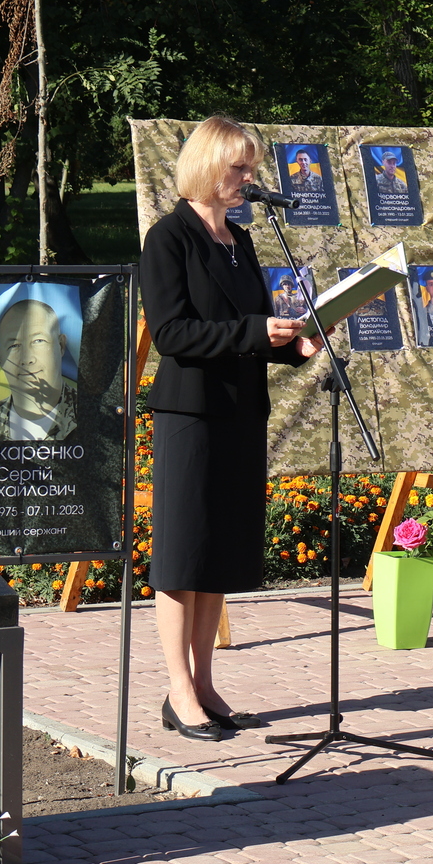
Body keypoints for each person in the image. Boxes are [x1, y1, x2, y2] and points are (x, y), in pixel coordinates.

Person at [139, 115, 327, 741]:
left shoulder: (239, 240)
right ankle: (178, 692)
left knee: (216, 555)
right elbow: (172, 333)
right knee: (184, 556)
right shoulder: (169, 238)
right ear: (206, 166)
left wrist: (294, 345)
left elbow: (252, 328)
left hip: (241, 413)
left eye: (252, 168)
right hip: (191, 416)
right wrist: (254, 332)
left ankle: (205, 684)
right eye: (239, 167)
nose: (249, 178)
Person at [0, 299, 77, 441]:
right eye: (14, 346)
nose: (27, 359)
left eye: (38, 341)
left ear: (61, 346)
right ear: (0, 358)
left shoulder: (93, 417)